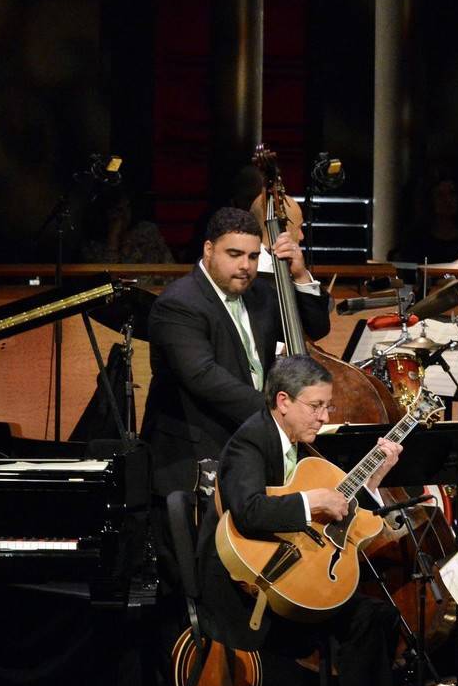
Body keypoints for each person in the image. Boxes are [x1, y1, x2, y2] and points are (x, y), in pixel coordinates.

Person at [195, 356, 403, 686]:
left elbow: (338, 513)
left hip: (289, 581)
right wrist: (312, 504)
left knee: (377, 615)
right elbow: (248, 511)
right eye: (317, 406)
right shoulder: (249, 442)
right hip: (248, 594)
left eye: (328, 406)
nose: (326, 416)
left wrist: (371, 483)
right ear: (283, 401)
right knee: (364, 620)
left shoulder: (303, 446)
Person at [140, 206, 328, 510]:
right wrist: (278, 415)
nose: (245, 266)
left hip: (245, 451)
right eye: (234, 254)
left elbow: (316, 327)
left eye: (253, 257)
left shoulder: (260, 294)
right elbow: (203, 377)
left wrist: (300, 274)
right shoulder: (178, 303)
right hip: (192, 457)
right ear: (209, 249)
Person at [400, 172, 458, 265]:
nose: (448, 200)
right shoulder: (416, 237)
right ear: (430, 200)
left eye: (452, 193)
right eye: (440, 195)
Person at [78, 188, 173, 264]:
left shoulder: (147, 230)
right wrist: (113, 240)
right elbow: (106, 279)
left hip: (154, 285)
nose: (125, 214)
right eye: (119, 210)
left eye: (127, 207)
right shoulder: (93, 245)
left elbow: (169, 263)